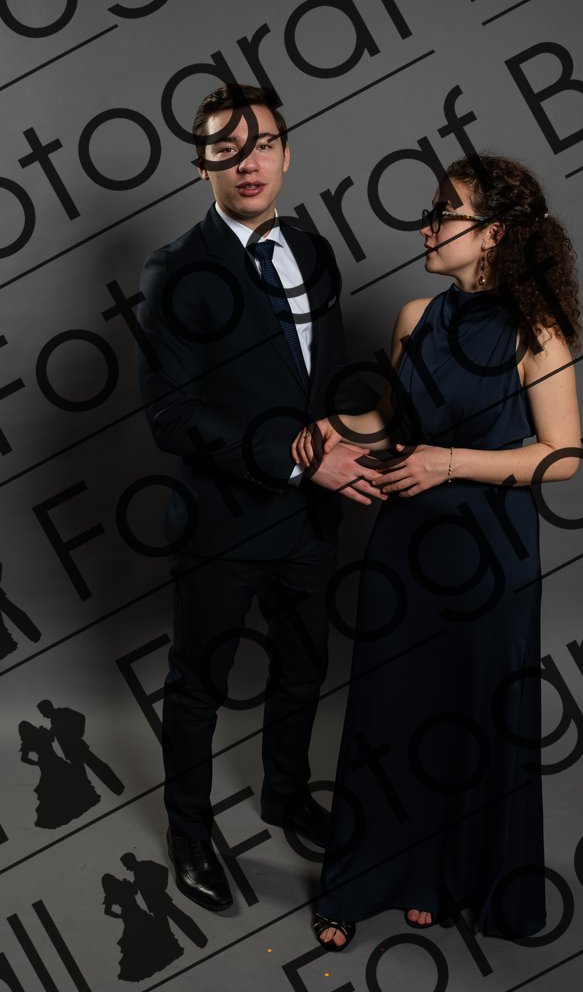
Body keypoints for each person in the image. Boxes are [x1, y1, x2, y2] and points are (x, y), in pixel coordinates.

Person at [291, 154, 582, 948]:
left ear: (493, 235)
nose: (426, 225)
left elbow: (561, 456)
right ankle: (371, 879)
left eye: (443, 212)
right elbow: (395, 424)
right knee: (392, 713)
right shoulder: (415, 316)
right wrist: (328, 432)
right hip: (404, 549)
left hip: (489, 558)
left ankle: (444, 877)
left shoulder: (536, 331)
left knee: (466, 720)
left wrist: (449, 463)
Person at [137, 83, 384, 913]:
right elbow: (173, 416)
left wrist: (356, 441)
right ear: (202, 164)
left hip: (310, 522)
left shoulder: (313, 251)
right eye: (227, 148)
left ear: (287, 154)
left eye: (264, 144)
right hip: (222, 523)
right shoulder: (175, 270)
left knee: (304, 665)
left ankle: (285, 794)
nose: (248, 162)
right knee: (198, 683)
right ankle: (188, 831)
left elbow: (326, 378)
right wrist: (303, 462)